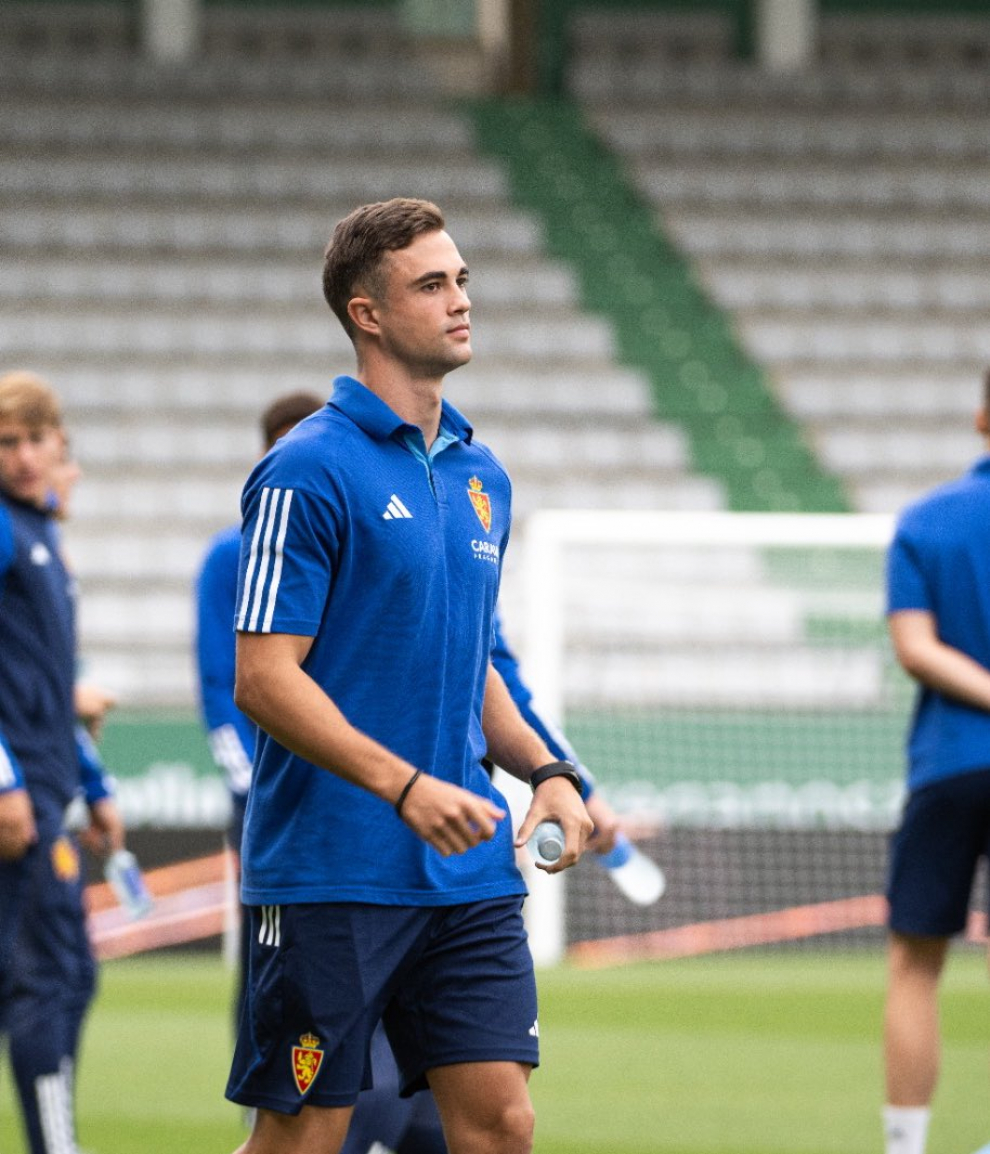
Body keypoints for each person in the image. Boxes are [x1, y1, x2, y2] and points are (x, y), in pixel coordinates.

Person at [224, 197, 592, 1154]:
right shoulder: (302, 471)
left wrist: (550, 773)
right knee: (307, 1133)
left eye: (462, 278)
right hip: (332, 870)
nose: (461, 299)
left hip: (466, 873)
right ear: (367, 313)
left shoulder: (483, 477)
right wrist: (404, 786)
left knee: (502, 1124)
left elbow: (474, 668)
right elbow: (262, 680)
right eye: (433, 284)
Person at [0, 369, 125, 1154]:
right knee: (51, 978)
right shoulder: (9, 529)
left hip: (46, 793)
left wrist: (94, 783)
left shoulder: (39, 533)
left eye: (32, 440)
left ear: (59, 444)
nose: (19, 456)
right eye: (5, 442)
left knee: (66, 974)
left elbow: (46, 684)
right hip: (19, 800)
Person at [882, 369, 990, 1154]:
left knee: (916, 964)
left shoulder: (927, 520)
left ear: (982, 415)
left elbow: (915, 648)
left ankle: (906, 1148)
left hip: (951, 762)